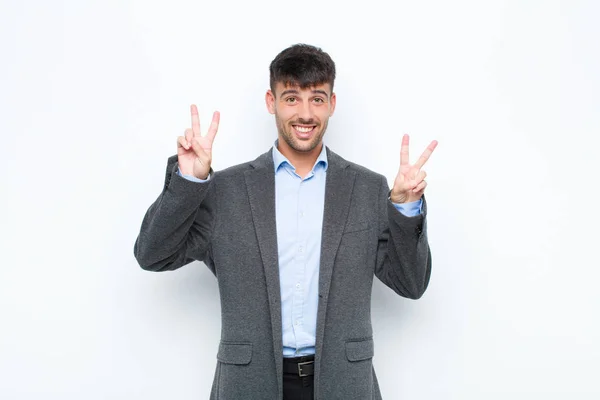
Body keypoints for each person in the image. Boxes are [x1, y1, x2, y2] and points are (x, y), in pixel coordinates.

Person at [133, 43, 437, 400]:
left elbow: (411, 283)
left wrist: (404, 209)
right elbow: (153, 254)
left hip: (344, 385)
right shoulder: (227, 190)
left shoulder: (367, 189)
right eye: (292, 98)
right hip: (248, 385)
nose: (305, 113)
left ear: (332, 105)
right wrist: (189, 182)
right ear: (271, 101)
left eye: (317, 99)